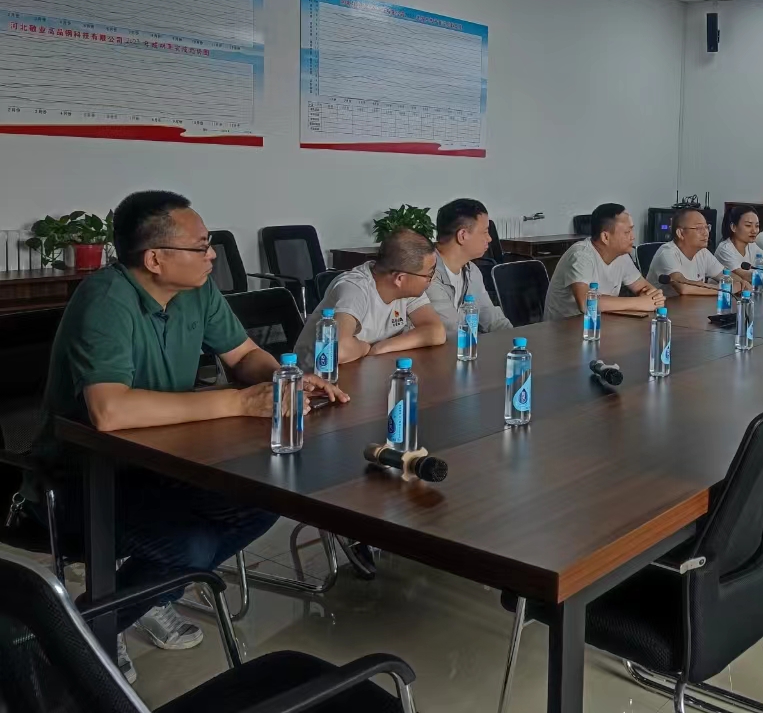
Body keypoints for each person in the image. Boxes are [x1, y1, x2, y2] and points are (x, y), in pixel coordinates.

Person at [27, 191, 345, 683]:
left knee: (265, 500)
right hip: (84, 478)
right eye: (200, 247)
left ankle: (143, 594)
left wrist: (287, 380)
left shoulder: (196, 290)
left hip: (164, 462)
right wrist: (238, 403)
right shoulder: (106, 300)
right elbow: (109, 411)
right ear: (155, 259)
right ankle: (85, 632)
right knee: (190, 546)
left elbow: (243, 356)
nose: (212, 254)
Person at [296, 229, 446, 370]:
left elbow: (436, 331)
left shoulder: (407, 289)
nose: (432, 279)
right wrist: (366, 348)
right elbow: (338, 350)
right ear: (400, 279)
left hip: (363, 369)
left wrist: (382, 347)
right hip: (315, 376)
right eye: (429, 275)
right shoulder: (354, 289)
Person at [544, 204, 664, 319]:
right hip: (565, 329)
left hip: (602, 324)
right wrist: (640, 303)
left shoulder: (621, 255)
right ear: (605, 237)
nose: (633, 237)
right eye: (627, 232)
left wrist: (654, 297)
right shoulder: (581, 255)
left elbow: (646, 289)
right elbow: (585, 303)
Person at [425, 198, 512, 334]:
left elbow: (492, 319)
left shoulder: (471, 271)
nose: (489, 238)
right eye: (485, 232)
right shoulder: (427, 274)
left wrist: (513, 338)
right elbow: (452, 331)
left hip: (465, 345)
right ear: (463, 235)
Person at [648, 207, 741, 297]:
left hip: (693, 305)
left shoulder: (703, 252)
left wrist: (742, 282)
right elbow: (683, 287)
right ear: (680, 233)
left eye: (707, 227)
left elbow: (725, 275)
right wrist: (725, 290)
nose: (706, 233)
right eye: (699, 228)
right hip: (664, 306)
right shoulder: (667, 253)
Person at [714, 206, 763, 288]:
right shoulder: (725, 249)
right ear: (733, 227)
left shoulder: (752, 246)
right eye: (748, 225)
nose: (754, 231)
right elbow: (745, 277)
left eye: (757, 226)